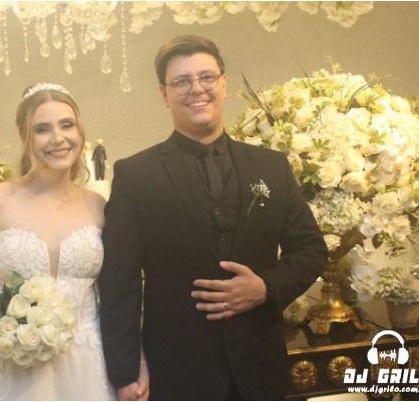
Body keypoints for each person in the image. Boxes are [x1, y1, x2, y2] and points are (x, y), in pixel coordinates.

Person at [99, 35, 328, 400]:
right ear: (164, 94)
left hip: (260, 370)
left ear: (223, 83)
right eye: (181, 81)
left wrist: (265, 287)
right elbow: (119, 283)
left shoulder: (271, 166)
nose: (196, 89)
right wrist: (125, 374)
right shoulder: (135, 175)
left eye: (206, 77)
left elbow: (311, 250)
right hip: (176, 373)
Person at [0, 82, 131, 400]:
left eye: (67, 125)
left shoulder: (98, 207)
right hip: (6, 365)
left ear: (80, 132)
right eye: (42, 129)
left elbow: (114, 298)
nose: (58, 138)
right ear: (25, 137)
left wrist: (133, 364)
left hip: (86, 365)